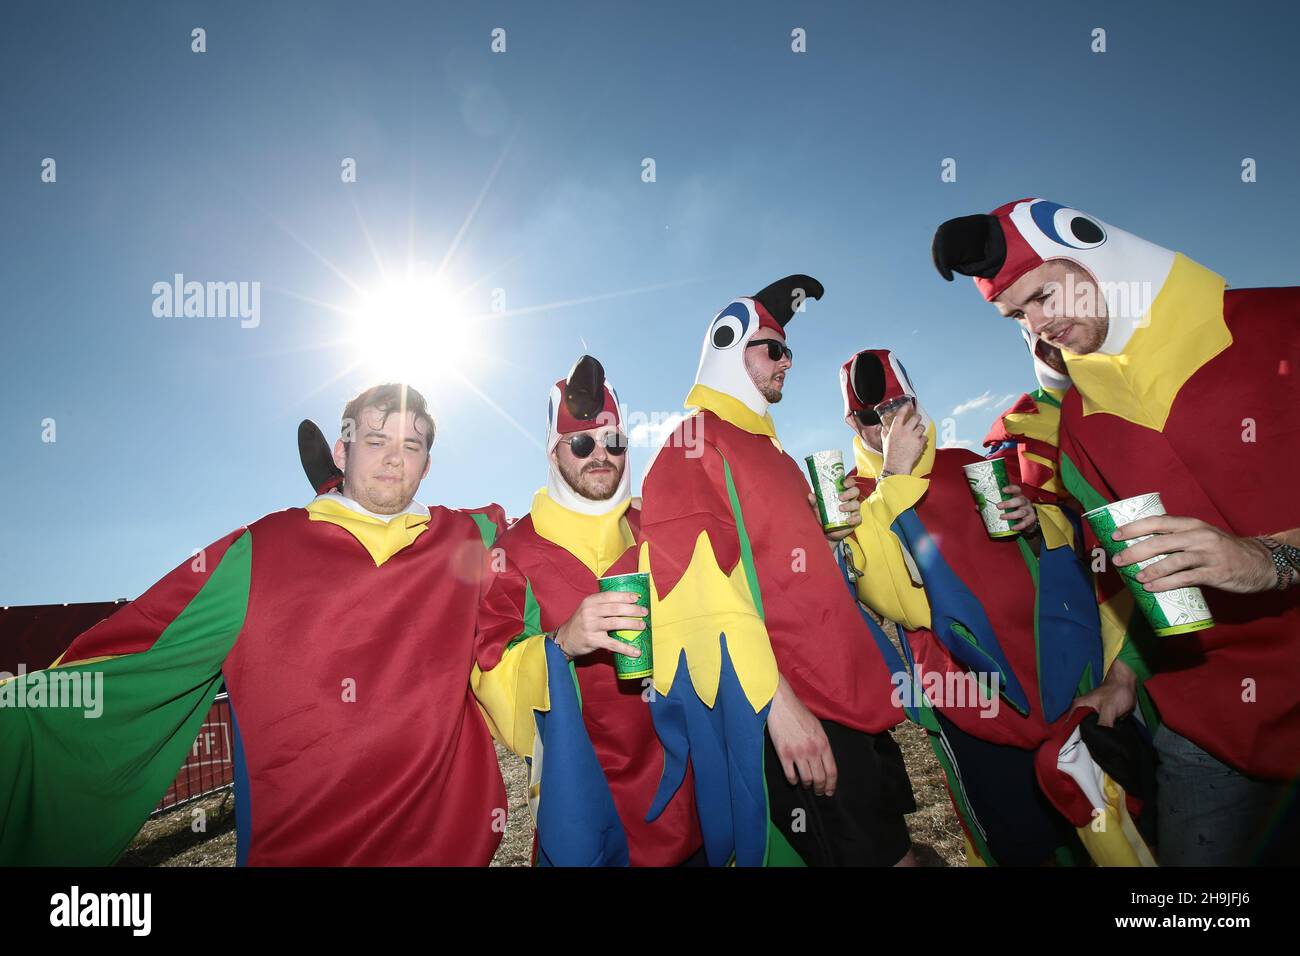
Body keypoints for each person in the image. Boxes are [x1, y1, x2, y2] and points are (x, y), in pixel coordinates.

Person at [0, 383, 523, 866]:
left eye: (411, 446)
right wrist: (24, 704)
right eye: (375, 440)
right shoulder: (257, 552)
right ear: (343, 451)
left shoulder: (470, 539)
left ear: (427, 464)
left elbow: (543, 558)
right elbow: (144, 648)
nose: (394, 457)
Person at [933, 197, 1300, 864]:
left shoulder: (1282, 323)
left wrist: (1273, 560)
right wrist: (1125, 672)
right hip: (1210, 723)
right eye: (1019, 316)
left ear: (1094, 249)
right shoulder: (1078, 422)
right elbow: (1119, 569)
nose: (1039, 326)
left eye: (1043, 295)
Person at [638, 275, 917, 866]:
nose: (787, 361)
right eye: (774, 347)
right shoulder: (692, 444)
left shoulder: (774, 453)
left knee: (898, 851)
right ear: (727, 347)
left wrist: (827, 533)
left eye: (788, 349)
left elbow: (783, 570)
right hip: (803, 707)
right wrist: (779, 708)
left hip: (849, 692)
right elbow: (694, 598)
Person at [839, 347, 1154, 865]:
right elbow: (886, 595)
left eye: (896, 405)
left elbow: (1064, 550)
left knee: (1107, 815)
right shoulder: (855, 498)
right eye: (871, 416)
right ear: (853, 422)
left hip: (1049, 665)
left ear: (914, 402)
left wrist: (1036, 521)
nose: (886, 423)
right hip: (968, 693)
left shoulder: (967, 464)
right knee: (1018, 837)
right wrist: (893, 478)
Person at [474, 355, 703, 865]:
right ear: (554, 455)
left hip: (686, 790)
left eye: (615, 441)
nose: (602, 455)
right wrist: (559, 646)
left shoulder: (655, 526)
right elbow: (490, 668)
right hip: (586, 800)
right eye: (581, 444)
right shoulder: (514, 552)